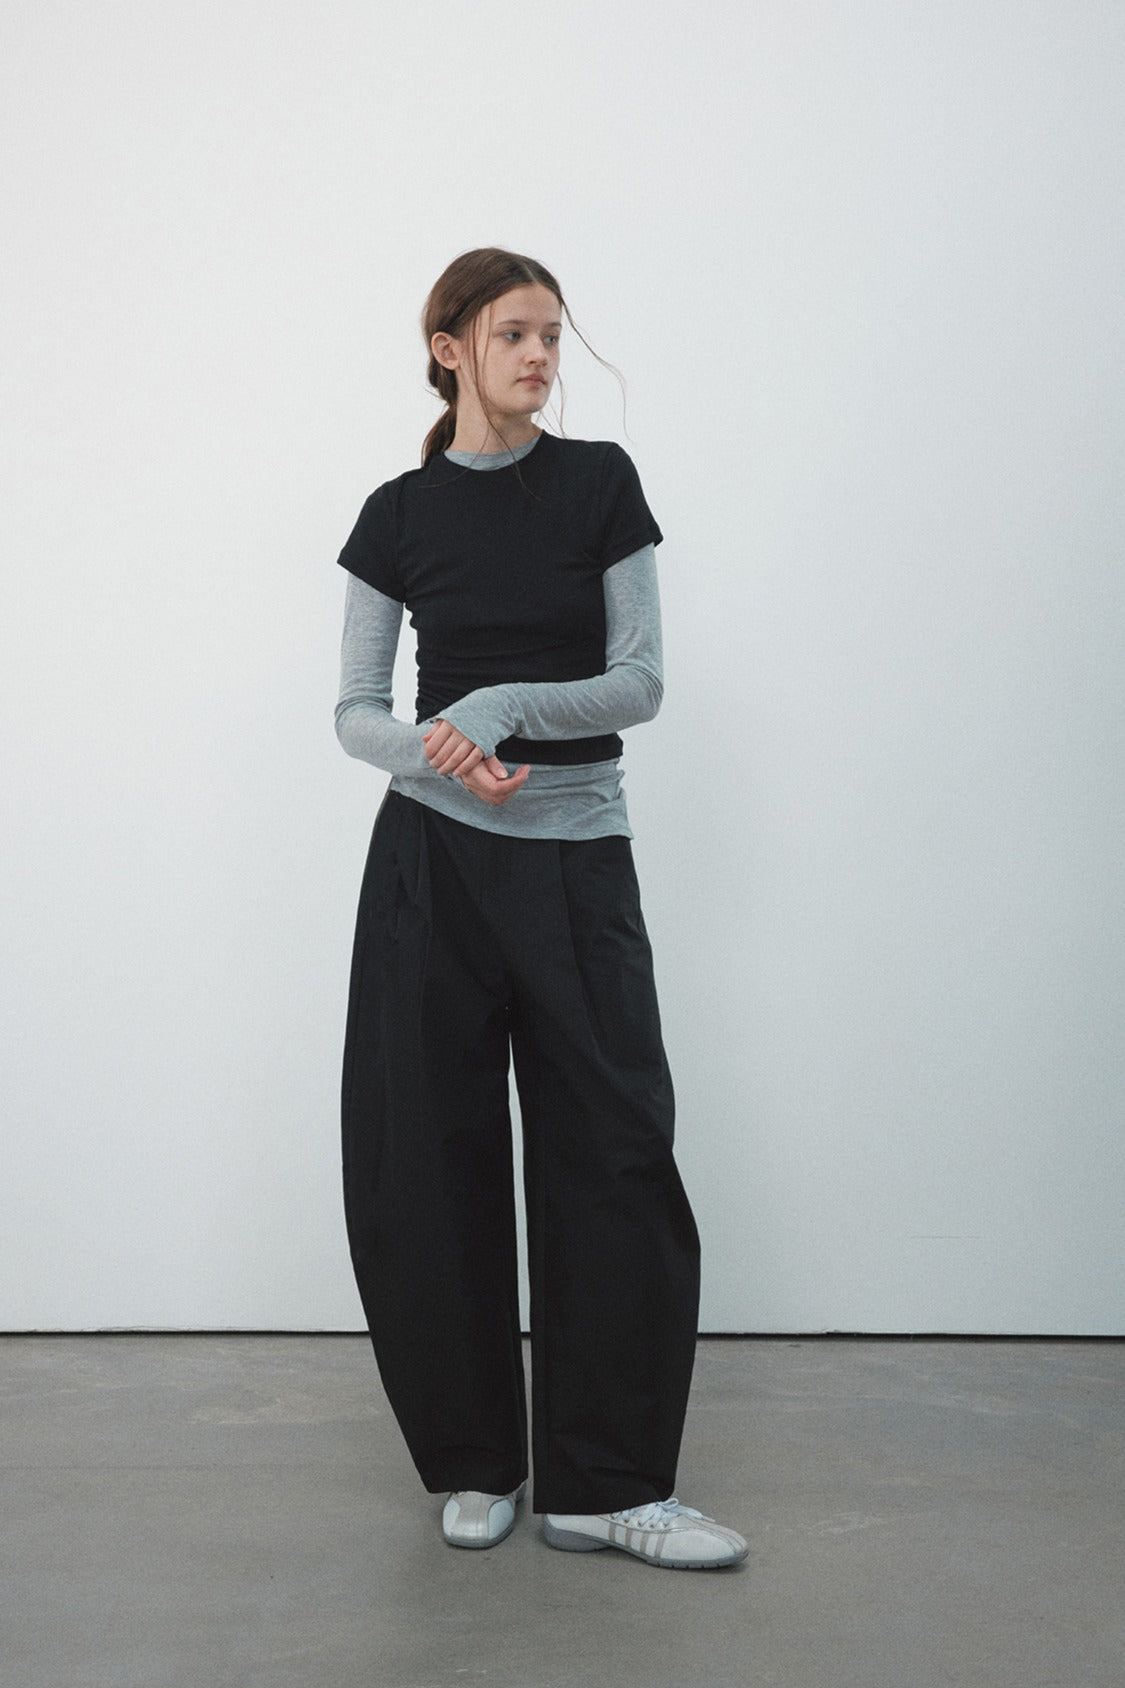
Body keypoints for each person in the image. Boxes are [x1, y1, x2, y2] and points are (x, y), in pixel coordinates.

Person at [334, 247, 747, 1571]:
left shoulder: (599, 485)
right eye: (514, 333)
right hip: (430, 870)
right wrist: (440, 752)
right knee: (426, 1159)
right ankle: (475, 1462)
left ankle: (605, 1488)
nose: (539, 357)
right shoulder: (396, 514)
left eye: (553, 336)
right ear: (448, 347)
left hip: (575, 867)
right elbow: (354, 714)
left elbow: (638, 683)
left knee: (613, 1157)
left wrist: (503, 706)